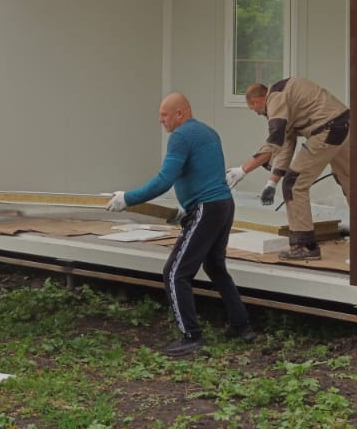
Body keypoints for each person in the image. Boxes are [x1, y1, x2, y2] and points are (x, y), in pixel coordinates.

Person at [105, 92, 255, 359]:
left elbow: (165, 179)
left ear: (180, 113)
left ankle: (191, 337)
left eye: (164, 115)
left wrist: (127, 198)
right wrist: (186, 206)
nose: (160, 120)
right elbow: (206, 173)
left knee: (175, 273)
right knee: (215, 267)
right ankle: (241, 326)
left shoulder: (181, 136)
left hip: (207, 208)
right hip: (222, 205)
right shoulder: (209, 132)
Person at [227, 78, 350, 262]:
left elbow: (275, 139)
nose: (257, 113)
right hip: (344, 124)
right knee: (350, 180)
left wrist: (243, 170)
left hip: (327, 129)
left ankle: (304, 245)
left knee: (294, 184)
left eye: (254, 109)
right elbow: (286, 144)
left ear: (257, 101)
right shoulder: (286, 97)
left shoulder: (275, 98)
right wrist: (272, 183)